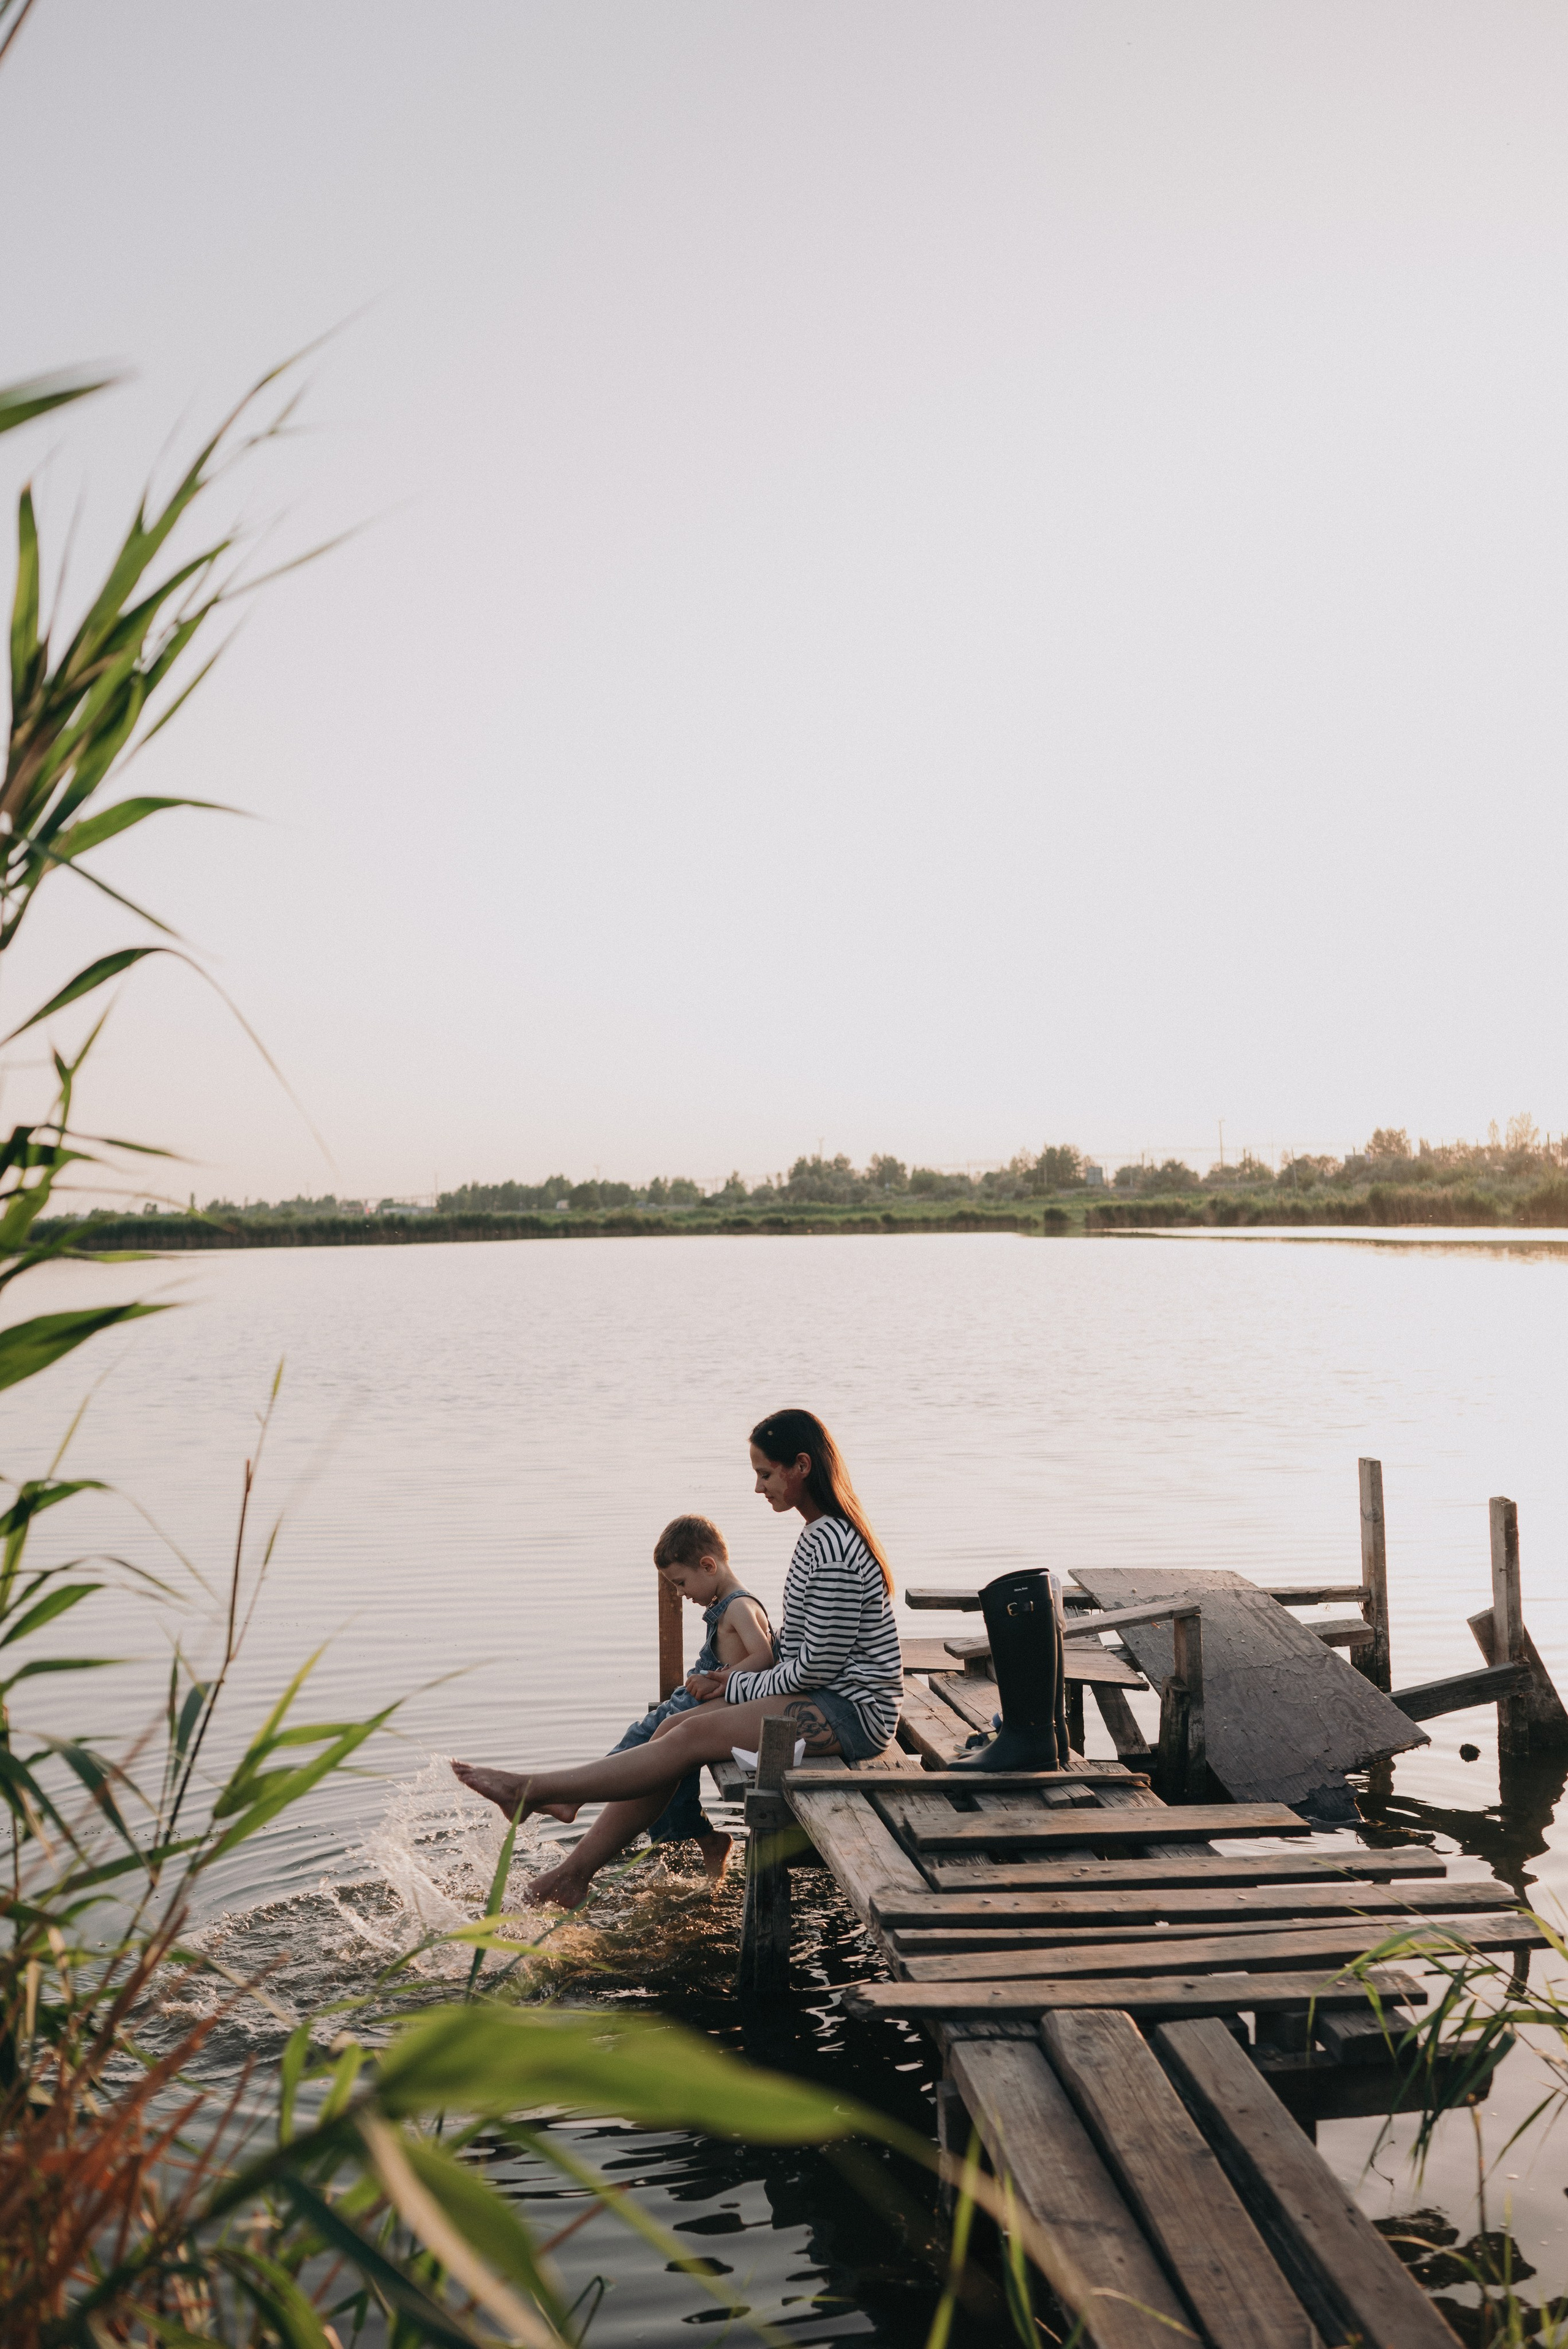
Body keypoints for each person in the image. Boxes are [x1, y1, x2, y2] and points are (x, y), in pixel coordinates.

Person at [453, 1408, 902, 1907]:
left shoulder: (834, 1547)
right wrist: (729, 1681)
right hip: (818, 1696)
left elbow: (816, 1667)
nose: (759, 1488)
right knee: (672, 1728)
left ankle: (534, 1790)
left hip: (853, 1713)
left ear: (801, 1465)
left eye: (765, 1473)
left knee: (688, 1733)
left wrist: (731, 1685)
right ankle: (573, 1872)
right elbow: (798, 1657)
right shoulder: (818, 1535)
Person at [605, 1514, 775, 1882]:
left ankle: (582, 1795)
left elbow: (764, 1658)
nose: (681, 1593)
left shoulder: (740, 1606)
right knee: (645, 1752)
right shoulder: (726, 1605)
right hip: (697, 1705)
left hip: (714, 1711)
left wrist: (720, 1678)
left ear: (708, 1565)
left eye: (681, 1583)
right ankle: (700, 1838)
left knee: (642, 1758)